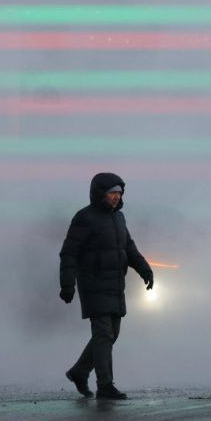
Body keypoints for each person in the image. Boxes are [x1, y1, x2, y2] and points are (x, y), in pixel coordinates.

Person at [60, 172, 154, 401]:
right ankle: (105, 385)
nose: (116, 197)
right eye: (112, 192)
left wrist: (145, 269)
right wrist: (67, 284)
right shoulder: (84, 218)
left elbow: (128, 247)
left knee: (111, 334)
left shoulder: (119, 218)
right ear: (99, 193)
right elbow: (69, 253)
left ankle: (79, 372)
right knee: (103, 334)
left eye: (119, 193)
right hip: (93, 284)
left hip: (114, 285)